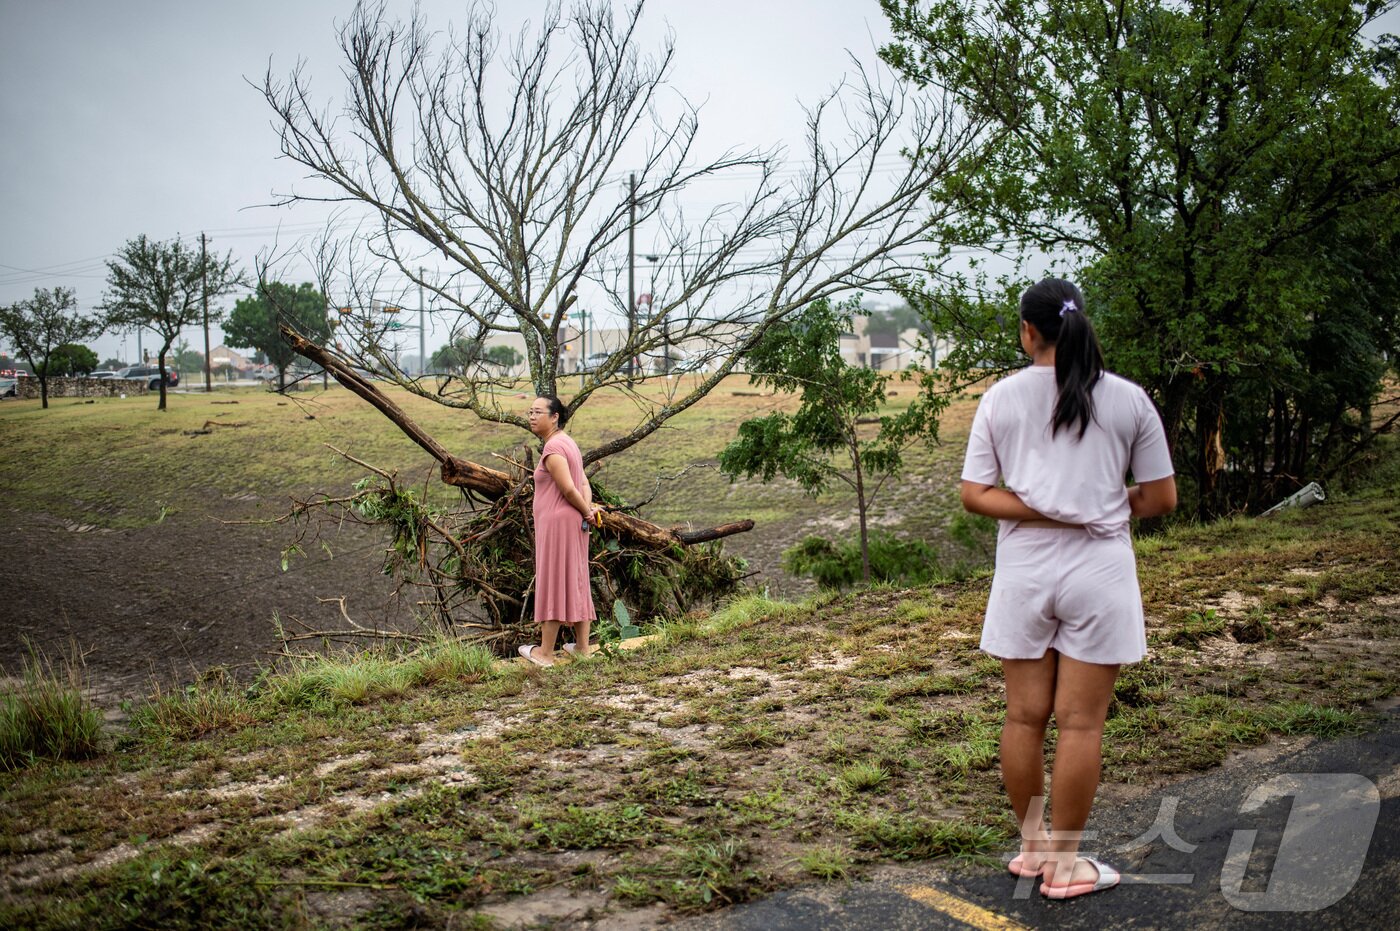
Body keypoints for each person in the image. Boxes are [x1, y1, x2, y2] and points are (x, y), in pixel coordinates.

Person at [959, 278, 1177, 899]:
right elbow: (1160, 498)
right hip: (1099, 572)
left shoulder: (999, 398)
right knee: (1081, 726)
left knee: (1023, 717)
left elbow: (975, 494)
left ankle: (1033, 850)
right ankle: (1066, 865)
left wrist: (1043, 509)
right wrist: (1094, 505)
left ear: (1028, 331)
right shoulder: (1129, 399)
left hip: (1023, 573)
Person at [519, 395, 601, 667]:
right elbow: (584, 484)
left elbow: (568, 488)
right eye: (530, 412)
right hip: (573, 523)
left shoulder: (553, 448)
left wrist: (586, 511)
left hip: (558, 525)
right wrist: (587, 510)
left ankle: (544, 653)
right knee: (576, 578)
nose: (532, 417)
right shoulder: (568, 442)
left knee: (553, 580)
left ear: (554, 417)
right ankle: (582, 647)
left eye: (538, 412)